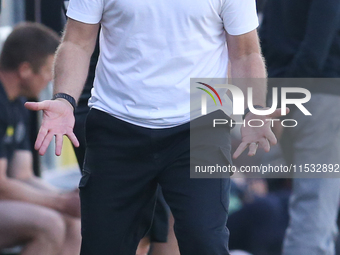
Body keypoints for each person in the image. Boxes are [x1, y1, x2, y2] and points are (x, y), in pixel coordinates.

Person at [26, 0, 283, 254]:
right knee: (104, 245)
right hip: (117, 124)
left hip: (199, 128)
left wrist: (254, 109)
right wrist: (65, 99)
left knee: (204, 240)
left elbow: (245, 52)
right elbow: (76, 43)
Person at [260, 1, 340, 255]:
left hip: (279, 97)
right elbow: (317, 46)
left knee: (308, 206)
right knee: (314, 208)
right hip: (316, 96)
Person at [0, 22, 81, 255]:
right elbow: (1, 186)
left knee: (73, 224)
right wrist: (59, 203)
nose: (49, 80)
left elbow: (22, 174)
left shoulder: (18, 103)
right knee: (50, 225)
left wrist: (64, 198)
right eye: (48, 70)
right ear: (25, 70)